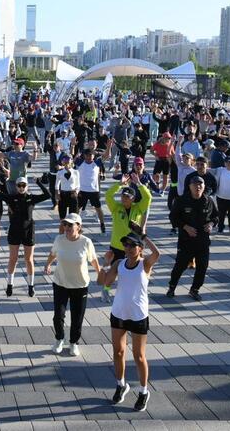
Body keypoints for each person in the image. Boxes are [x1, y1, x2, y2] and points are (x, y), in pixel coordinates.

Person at [100, 232, 161, 413]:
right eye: (125, 245)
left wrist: (144, 236)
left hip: (138, 315)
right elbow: (104, 281)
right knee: (118, 352)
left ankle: (143, 391)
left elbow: (157, 253)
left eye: (132, 245)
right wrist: (106, 263)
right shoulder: (119, 264)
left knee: (139, 356)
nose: (127, 248)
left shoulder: (145, 264)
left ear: (140, 248)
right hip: (119, 313)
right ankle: (121, 385)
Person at [43, 213, 101, 357]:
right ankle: (59, 339)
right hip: (60, 283)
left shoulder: (86, 242)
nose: (67, 227)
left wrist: (100, 273)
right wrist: (47, 264)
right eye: (65, 224)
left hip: (80, 286)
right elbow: (53, 253)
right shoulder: (59, 239)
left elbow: (93, 260)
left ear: (79, 227)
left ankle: (74, 343)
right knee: (58, 316)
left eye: (70, 225)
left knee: (77, 318)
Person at [0, 175, 51, 297]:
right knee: (13, 259)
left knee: (29, 259)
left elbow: (48, 195)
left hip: (28, 231)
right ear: (16, 187)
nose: (21, 188)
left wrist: (39, 182)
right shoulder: (12, 198)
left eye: (23, 185)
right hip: (14, 231)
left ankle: (31, 286)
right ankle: (10, 285)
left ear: (27, 186)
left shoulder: (31, 198)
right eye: (19, 185)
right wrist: (1, 183)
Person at [167, 175, 218, 300]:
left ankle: (195, 289)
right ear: (190, 186)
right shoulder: (181, 200)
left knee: (202, 267)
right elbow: (173, 217)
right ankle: (172, 287)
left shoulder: (209, 201)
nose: (198, 187)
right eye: (195, 184)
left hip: (203, 241)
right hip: (186, 241)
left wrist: (211, 224)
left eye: (200, 184)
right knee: (180, 266)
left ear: (204, 186)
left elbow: (216, 217)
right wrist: (185, 227)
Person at [102, 175, 152, 302]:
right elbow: (108, 195)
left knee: (134, 270)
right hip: (117, 245)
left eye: (127, 197)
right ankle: (106, 290)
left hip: (134, 247)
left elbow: (148, 197)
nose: (124, 198)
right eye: (123, 196)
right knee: (114, 271)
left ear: (133, 199)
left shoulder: (138, 208)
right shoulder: (116, 207)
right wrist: (119, 184)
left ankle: (132, 291)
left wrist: (139, 184)